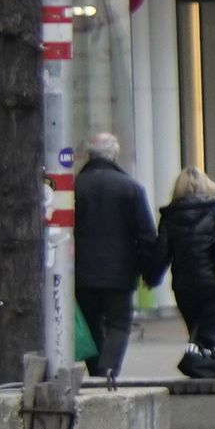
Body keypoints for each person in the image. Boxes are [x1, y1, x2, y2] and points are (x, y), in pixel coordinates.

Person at [70, 130, 161, 380]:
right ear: (115, 155)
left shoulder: (74, 187)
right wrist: (149, 272)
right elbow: (146, 235)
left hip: (81, 272)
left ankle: (97, 371)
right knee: (118, 323)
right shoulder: (130, 187)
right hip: (120, 272)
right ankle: (109, 370)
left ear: (89, 155)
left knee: (90, 326)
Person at [157, 165, 215, 359]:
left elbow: (162, 253)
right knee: (211, 332)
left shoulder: (169, 216)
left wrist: (152, 276)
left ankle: (203, 365)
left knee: (197, 331)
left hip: (185, 284)